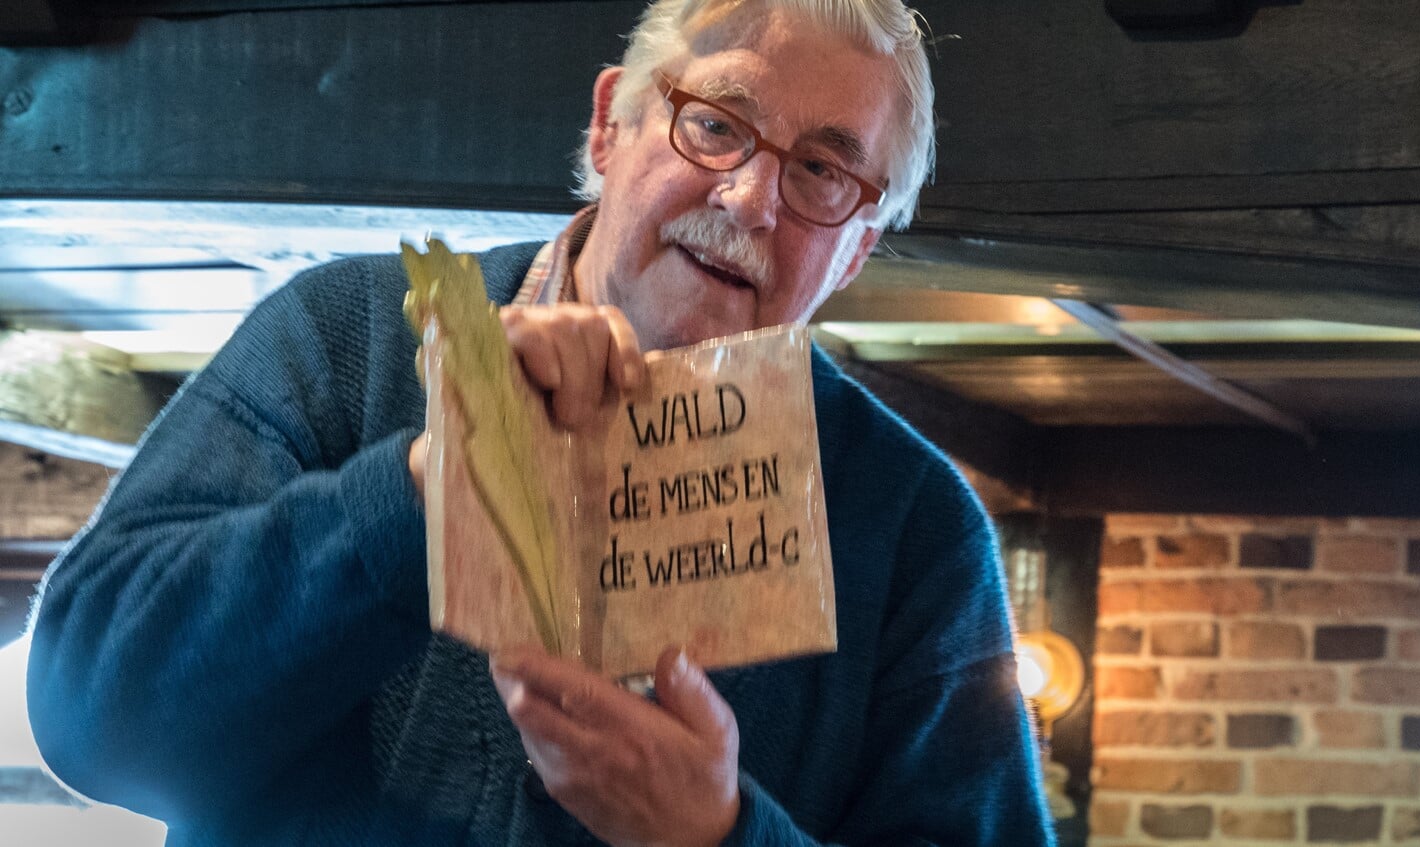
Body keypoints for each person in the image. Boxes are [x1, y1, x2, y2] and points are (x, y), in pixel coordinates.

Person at [27, 1, 1054, 844]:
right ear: (610, 126)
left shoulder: (914, 526)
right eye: (716, 123)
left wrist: (718, 835)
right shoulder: (346, 337)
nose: (750, 199)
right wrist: (422, 491)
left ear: (856, 250)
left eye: (823, 173)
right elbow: (89, 719)